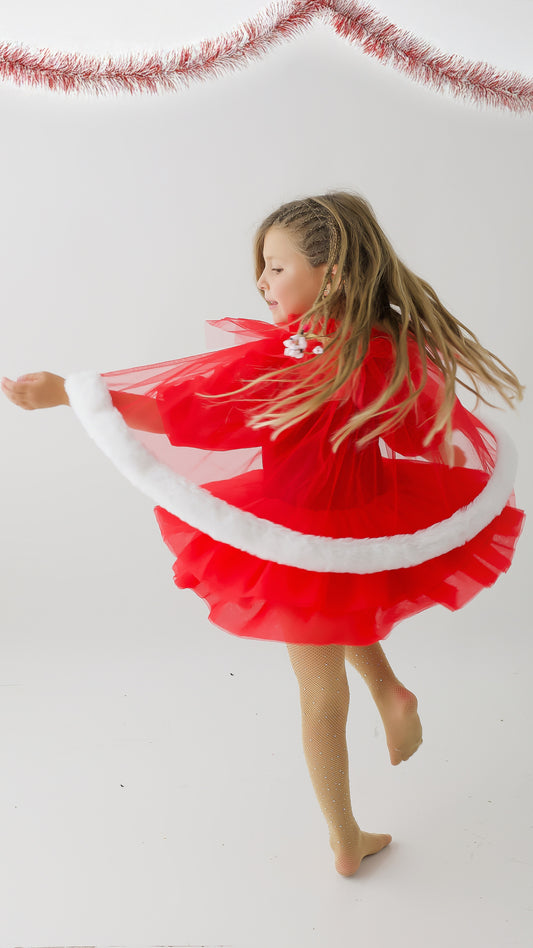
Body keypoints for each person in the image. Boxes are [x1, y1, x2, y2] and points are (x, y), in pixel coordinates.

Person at [1, 192, 525, 878]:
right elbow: (412, 423)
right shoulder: (378, 344)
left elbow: (185, 413)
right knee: (340, 596)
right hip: (365, 509)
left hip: (300, 523)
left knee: (318, 692)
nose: (261, 281)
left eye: (276, 267)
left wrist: (73, 393)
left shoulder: (293, 355)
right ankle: (390, 691)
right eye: (262, 267)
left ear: (330, 275)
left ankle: (344, 838)